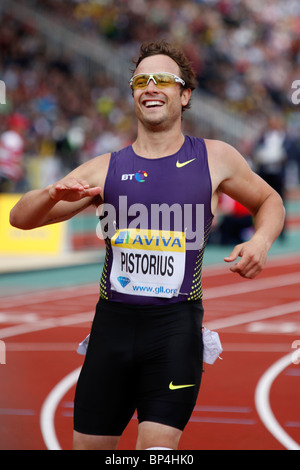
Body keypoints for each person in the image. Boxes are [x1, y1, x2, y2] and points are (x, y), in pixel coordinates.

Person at [9, 41, 285, 450]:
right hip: (111, 332)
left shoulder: (215, 158)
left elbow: (270, 201)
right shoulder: (106, 167)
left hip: (175, 332)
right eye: (141, 80)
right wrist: (52, 193)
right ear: (133, 93)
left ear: (185, 94)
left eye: (163, 80)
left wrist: (261, 241)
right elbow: (20, 218)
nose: (150, 87)